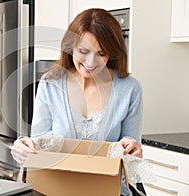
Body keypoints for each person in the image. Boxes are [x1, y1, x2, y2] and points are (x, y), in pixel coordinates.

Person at [11, 8, 143, 196]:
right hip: (55, 190)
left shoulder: (130, 89)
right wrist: (24, 147)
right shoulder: (50, 84)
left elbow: (131, 159)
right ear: (70, 46)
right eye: (83, 51)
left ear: (112, 54)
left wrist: (133, 153)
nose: (91, 62)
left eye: (101, 53)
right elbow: (39, 145)